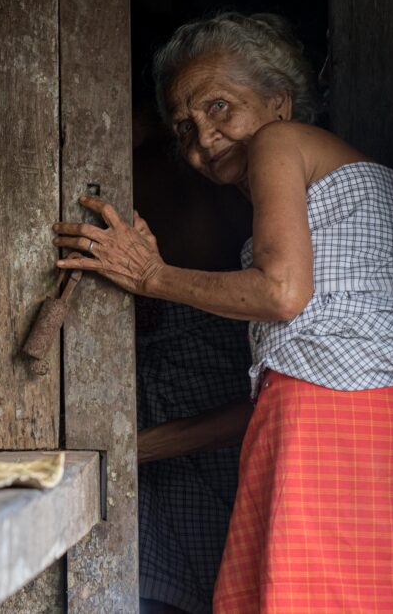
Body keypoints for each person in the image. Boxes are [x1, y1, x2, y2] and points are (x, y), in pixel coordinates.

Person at [53, 12, 393, 613]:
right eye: (183, 126)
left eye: (219, 107)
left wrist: (150, 275)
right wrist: (124, 448)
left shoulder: (280, 142)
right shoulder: (323, 191)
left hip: (347, 423)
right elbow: (285, 382)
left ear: (279, 102)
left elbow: (281, 293)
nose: (201, 139)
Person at [130, 102, 254, 614]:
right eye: (184, 125)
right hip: (153, 375)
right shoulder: (156, 163)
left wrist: (130, 450)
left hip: (214, 366)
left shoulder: (235, 181)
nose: (202, 137)